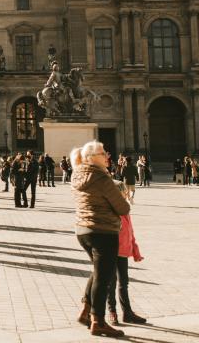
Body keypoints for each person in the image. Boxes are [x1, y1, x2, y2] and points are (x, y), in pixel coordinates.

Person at [72, 140, 130, 337]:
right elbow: (123, 208)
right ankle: (98, 321)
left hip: (83, 230)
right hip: (103, 230)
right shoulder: (102, 178)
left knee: (98, 272)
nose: (107, 156)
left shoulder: (78, 174)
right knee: (104, 277)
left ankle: (85, 311)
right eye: (103, 153)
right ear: (92, 158)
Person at [106, 182, 147, 327]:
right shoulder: (111, 210)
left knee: (124, 282)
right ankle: (112, 312)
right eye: (124, 192)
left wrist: (135, 249)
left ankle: (127, 313)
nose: (126, 194)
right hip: (111, 251)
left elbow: (130, 232)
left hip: (123, 252)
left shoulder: (125, 210)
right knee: (111, 283)